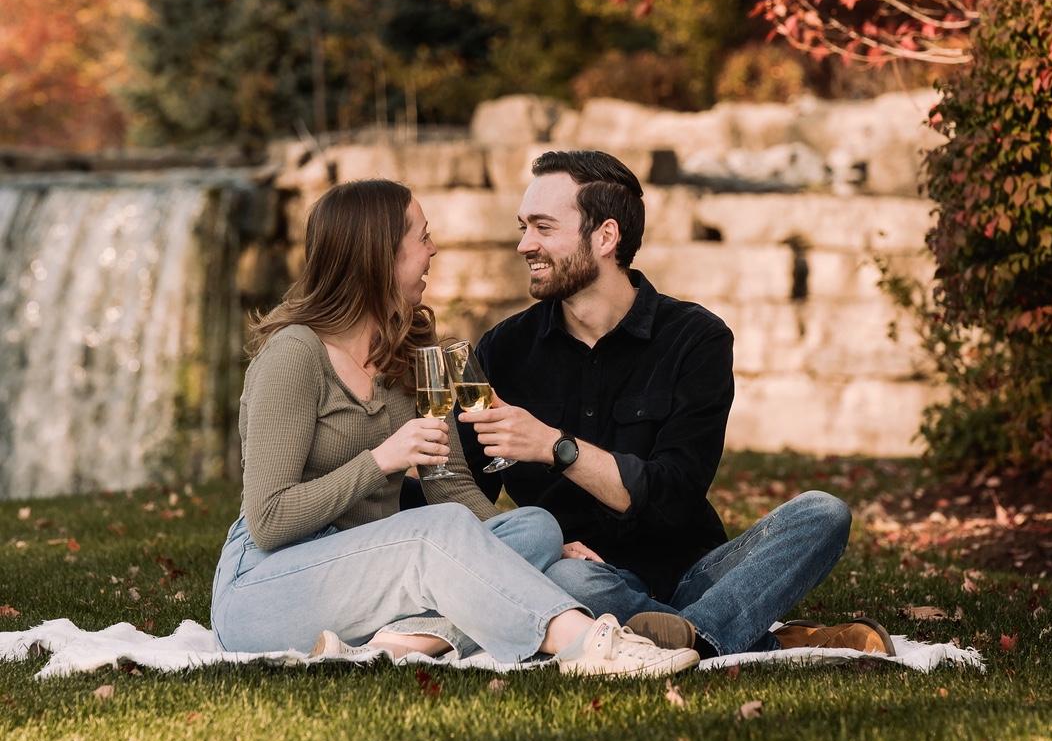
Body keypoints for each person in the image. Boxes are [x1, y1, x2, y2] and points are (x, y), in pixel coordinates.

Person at [210, 178, 700, 678]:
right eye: (422, 237)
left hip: (376, 577)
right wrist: (381, 461)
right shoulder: (295, 354)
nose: (433, 250)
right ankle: (585, 643)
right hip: (270, 587)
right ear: (380, 254)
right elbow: (269, 520)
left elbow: (451, 487)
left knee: (535, 527)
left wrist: (540, 549)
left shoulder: (415, 351)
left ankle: (406, 640)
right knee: (439, 532)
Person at [457, 150, 895, 658]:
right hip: (583, 575)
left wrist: (555, 447)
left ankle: (684, 632)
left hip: (695, 574)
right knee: (568, 581)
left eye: (543, 227)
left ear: (605, 237)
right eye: (524, 227)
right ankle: (733, 636)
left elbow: (674, 496)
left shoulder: (696, 339)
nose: (524, 244)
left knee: (823, 513)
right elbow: (464, 491)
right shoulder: (503, 350)